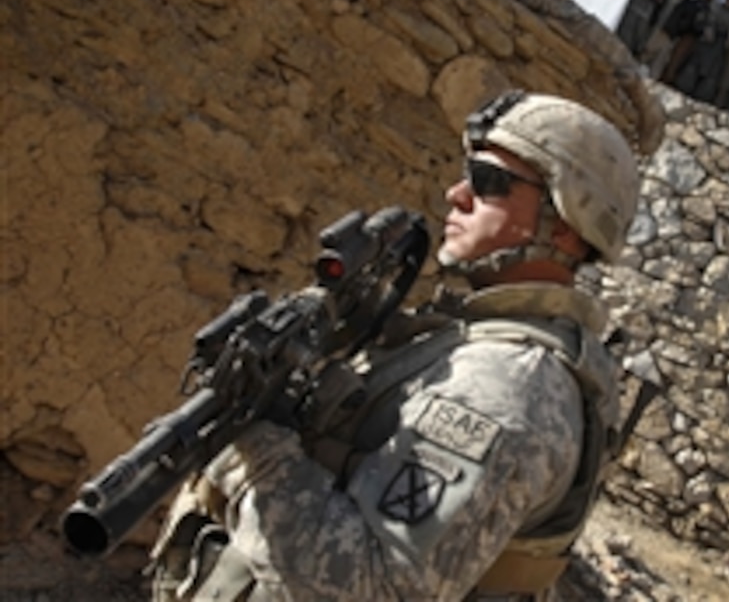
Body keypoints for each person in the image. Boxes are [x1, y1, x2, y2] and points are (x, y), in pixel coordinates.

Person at [149, 91, 641, 601]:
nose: (457, 193)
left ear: (564, 225)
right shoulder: (480, 339)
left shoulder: (505, 386)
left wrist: (255, 443)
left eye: (489, 182)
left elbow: (369, 585)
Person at [674, 0, 729, 103]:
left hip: (718, 47)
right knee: (694, 67)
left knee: (710, 75)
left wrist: (727, 43)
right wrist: (708, 30)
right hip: (706, 41)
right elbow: (709, 19)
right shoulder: (715, 6)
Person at [640, 0, 696, 79]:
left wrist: (674, 30)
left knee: (657, 66)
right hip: (654, 29)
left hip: (668, 36)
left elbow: (686, 23)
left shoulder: (688, 5)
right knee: (643, 56)